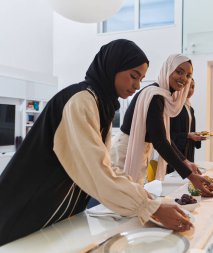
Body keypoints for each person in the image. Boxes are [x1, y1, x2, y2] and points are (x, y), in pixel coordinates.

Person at [0, 39, 192, 246]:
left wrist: (148, 201)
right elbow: (96, 169)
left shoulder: (101, 104)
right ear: (113, 67)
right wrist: (148, 206)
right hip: (27, 206)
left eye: (141, 79)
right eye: (133, 76)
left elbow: (104, 164)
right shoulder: (81, 100)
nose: (137, 86)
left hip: (52, 209)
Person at [110, 54, 213, 196]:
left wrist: (185, 162)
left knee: (131, 197)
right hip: (126, 149)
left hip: (139, 148)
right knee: (121, 198)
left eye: (188, 75)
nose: (183, 78)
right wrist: (189, 175)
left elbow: (164, 137)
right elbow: (160, 141)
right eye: (179, 72)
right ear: (167, 69)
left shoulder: (163, 96)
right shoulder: (155, 96)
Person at [167, 78, 206, 173]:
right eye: (188, 86)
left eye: (193, 87)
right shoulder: (173, 106)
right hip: (176, 151)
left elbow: (190, 130)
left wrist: (197, 136)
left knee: (189, 179)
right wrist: (188, 135)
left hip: (189, 150)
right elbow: (168, 134)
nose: (191, 90)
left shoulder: (190, 108)